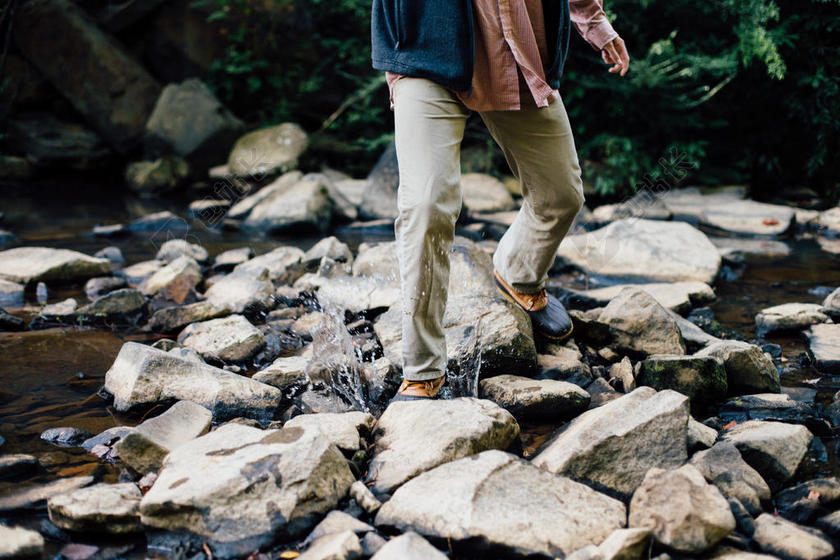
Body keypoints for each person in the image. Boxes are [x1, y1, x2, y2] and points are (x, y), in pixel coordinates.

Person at [371, 0, 630, 400]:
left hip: (516, 52)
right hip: (425, 55)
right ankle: (422, 371)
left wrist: (595, 24)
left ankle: (518, 272)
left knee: (561, 193)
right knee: (425, 206)